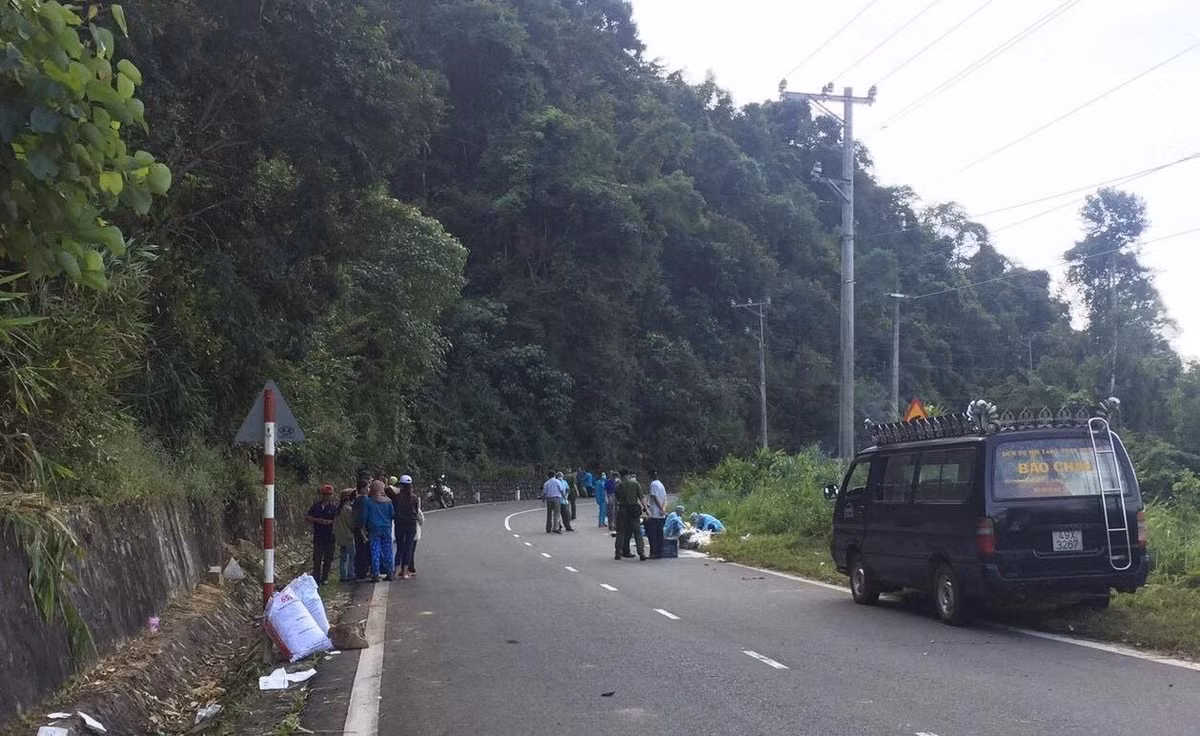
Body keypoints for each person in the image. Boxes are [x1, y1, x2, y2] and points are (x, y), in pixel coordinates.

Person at [359, 480, 396, 582]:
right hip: (386, 528)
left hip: (374, 529)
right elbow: (392, 514)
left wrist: (363, 526)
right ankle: (389, 572)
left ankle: (375, 573)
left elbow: (364, 516)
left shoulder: (369, 501)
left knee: (375, 551)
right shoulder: (388, 501)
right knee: (388, 550)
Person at [306, 484, 338, 583]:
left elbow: (338, 520)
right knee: (317, 559)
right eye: (324, 494)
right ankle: (316, 578)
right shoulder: (315, 507)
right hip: (318, 536)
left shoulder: (334, 507)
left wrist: (331, 522)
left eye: (329, 494)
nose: (326, 496)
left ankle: (324, 578)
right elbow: (308, 517)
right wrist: (317, 520)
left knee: (328, 559)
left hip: (330, 536)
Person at [390, 475, 420, 580]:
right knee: (408, 547)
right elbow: (416, 511)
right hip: (411, 525)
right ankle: (405, 572)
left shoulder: (396, 498)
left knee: (399, 547)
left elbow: (393, 511)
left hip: (399, 524)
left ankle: (396, 570)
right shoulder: (414, 498)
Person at [614, 469, 647, 561]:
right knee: (637, 533)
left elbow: (616, 500)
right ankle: (641, 553)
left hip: (623, 511)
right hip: (633, 511)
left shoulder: (618, 486)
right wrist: (647, 510)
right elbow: (641, 498)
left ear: (620, 476)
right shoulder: (635, 484)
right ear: (628, 475)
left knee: (621, 532)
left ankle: (618, 553)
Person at [333, 488, 358, 582]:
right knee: (352, 556)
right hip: (348, 536)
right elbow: (351, 523)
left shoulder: (338, 509)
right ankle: (350, 574)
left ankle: (343, 575)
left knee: (343, 557)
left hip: (340, 536)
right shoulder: (348, 509)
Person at [644, 469, 668, 559]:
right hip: (661, 515)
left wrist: (660, 509)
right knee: (660, 534)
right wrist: (663, 509)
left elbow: (654, 497)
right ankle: (659, 552)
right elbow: (665, 498)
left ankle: (653, 552)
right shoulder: (661, 484)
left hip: (654, 514)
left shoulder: (653, 484)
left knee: (652, 534)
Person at [352, 479, 371, 581]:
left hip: (356, 528)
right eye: (367, 487)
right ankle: (363, 572)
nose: (368, 489)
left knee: (359, 550)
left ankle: (359, 571)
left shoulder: (356, 499)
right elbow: (364, 516)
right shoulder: (365, 500)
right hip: (363, 529)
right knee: (364, 551)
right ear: (362, 488)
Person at [409, 495, 425, 576]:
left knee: (404, 550)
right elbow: (421, 519)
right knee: (411, 550)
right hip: (414, 531)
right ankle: (411, 567)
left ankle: (403, 568)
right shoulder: (416, 509)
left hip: (402, 529)